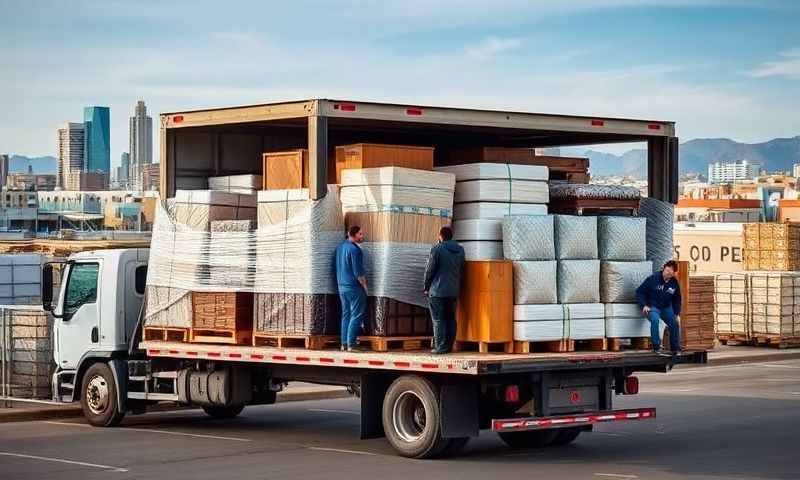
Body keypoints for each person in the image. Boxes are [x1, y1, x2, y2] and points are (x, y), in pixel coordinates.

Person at [423, 225, 465, 354]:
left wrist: (426, 286)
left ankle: (440, 347)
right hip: (453, 290)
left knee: (438, 320)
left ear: (440, 236)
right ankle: (448, 346)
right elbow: (461, 268)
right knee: (451, 319)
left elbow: (430, 270)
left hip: (438, 291)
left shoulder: (437, 249)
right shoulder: (460, 250)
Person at [635, 260, 682, 353]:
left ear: (673, 274)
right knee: (655, 320)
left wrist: (676, 313)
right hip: (653, 306)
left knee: (674, 323)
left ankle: (675, 348)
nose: (667, 273)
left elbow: (677, 299)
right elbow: (639, 292)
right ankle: (656, 346)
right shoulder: (653, 279)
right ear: (664, 268)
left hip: (666, 307)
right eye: (667, 270)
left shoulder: (674, 283)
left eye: (670, 272)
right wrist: (644, 305)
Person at [335, 225, 368, 352]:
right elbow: (358, 273)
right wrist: (365, 287)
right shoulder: (355, 251)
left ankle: (344, 343)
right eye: (360, 234)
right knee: (356, 314)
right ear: (352, 235)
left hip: (341, 287)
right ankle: (351, 344)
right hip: (354, 287)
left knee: (346, 315)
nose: (362, 236)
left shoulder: (340, 248)